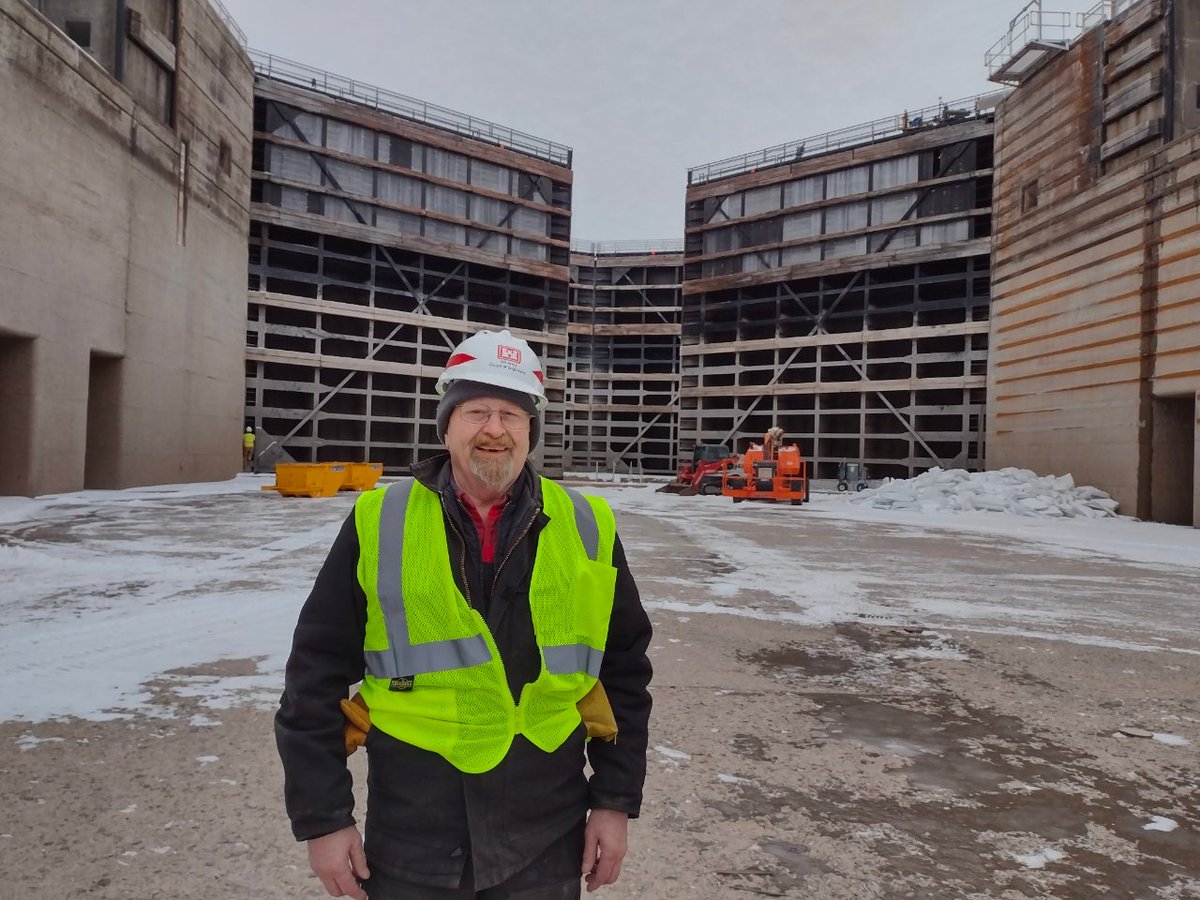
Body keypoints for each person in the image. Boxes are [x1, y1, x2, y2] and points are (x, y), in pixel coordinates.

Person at [275, 328, 653, 900]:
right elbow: (315, 672)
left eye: (511, 414)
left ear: (530, 430)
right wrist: (324, 818)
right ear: (447, 425)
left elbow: (623, 672)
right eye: (476, 411)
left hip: (544, 834)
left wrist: (614, 801)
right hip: (413, 834)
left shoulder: (585, 524)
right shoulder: (381, 520)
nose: (494, 429)